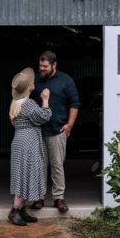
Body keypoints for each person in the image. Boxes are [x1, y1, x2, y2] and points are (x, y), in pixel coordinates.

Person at [31, 51, 80, 213]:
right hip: (38, 130)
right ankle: (39, 198)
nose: (42, 69)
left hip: (58, 130)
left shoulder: (66, 80)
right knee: (39, 166)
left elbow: (75, 103)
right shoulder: (35, 80)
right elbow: (24, 100)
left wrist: (70, 125)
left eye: (45, 66)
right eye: (40, 66)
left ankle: (59, 198)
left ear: (54, 65)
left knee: (57, 165)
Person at [8, 67, 52, 226]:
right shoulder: (28, 104)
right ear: (28, 87)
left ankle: (21, 209)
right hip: (28, 141)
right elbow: (44, 116)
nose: (34, 81)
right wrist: (46, 100)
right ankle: (14, 210)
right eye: (31, 81)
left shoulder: (16, 102)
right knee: (25, 174)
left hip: (20, 139)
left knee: (22, 173)